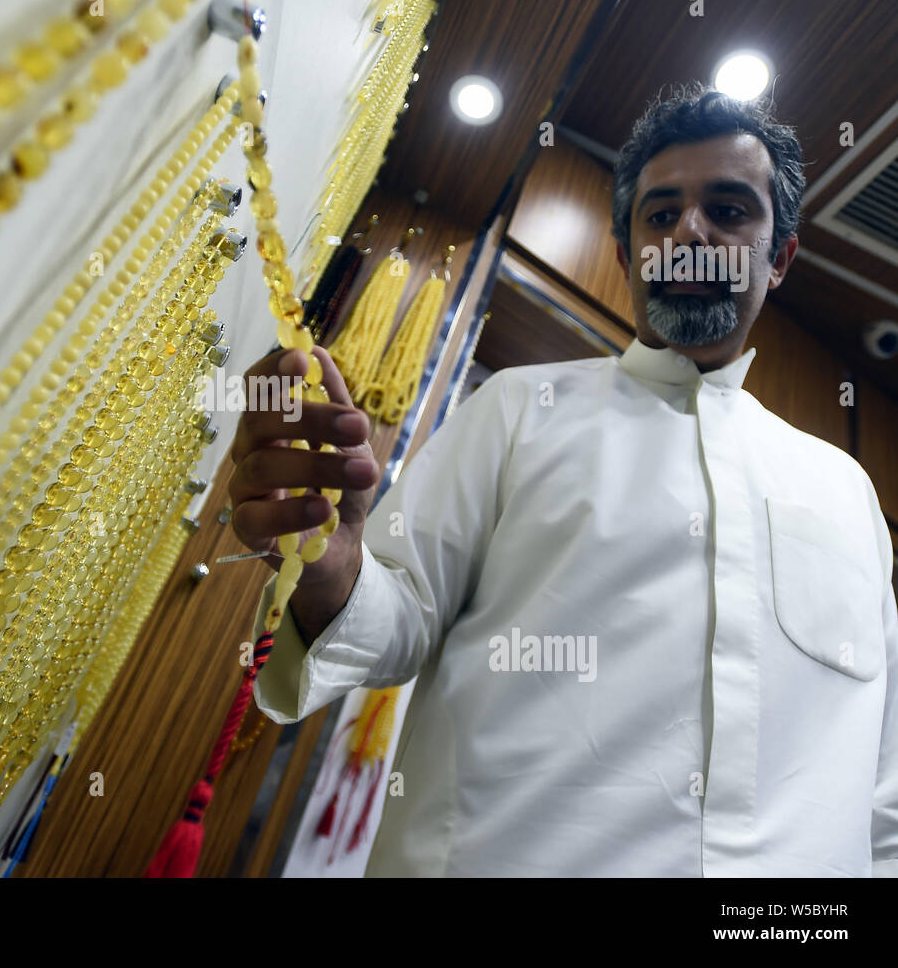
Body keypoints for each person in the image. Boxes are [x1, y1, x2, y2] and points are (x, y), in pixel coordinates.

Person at [227, 85, 898, 877]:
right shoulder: (516, 411)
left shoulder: (847, 492)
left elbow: (880, 795)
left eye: (728, 209)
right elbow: (395, 619)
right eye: (660, 214)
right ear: (628, 254)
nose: (690, 231)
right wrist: (335, 564)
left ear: (778, 256)